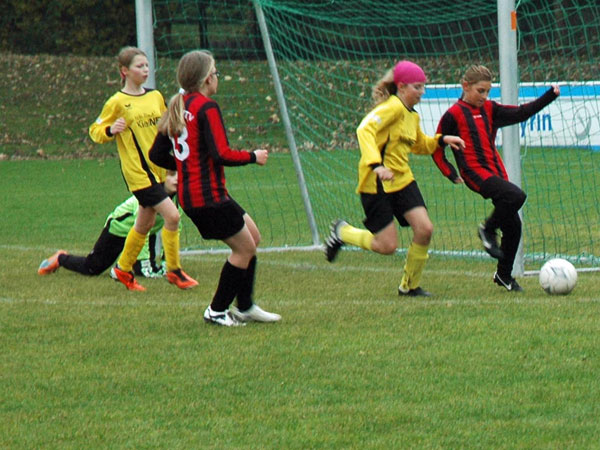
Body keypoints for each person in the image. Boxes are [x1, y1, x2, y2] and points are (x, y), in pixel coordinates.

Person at [149, 49, 281, 326]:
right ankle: (217, 310)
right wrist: (253, 156)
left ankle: (245, 306)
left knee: (253, 237)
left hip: (198, 195)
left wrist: (185, 166)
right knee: (243, 249)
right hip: (207, 197)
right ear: (207, 78)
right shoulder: (206, 107)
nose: (217, 77)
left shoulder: (179, 104)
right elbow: (221, 153)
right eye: (216, 73)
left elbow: (156, 154)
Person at [325, 60, 465, 297]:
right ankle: (343, 232)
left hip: (402, 180)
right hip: (376, 183)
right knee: (387, 246)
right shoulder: (392, 108)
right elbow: (364, 129)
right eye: (417, 87)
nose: (422, 92)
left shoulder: (412, 115)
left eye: (423, 87)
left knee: (425, 229)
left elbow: (419, 144)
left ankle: (409, 286)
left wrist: (441, 140)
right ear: (401, 87)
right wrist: (376, 165)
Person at [432, 65, 560, 292]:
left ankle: (503, 275)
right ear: (465, 86)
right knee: (516, 196)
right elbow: (436, 146)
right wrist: (450, 172)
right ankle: (487, 229)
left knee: (514, 226)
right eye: (480, 91)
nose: (484, 96)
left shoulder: (490, 109)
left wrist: (549, 96)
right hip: (474, 173)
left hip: (496, 172)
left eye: (488, 91)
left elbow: (521, 113)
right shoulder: (454, 114)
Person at [89, 46, 197, 292]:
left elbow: (165, 127)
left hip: (160, 170)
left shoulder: (155, 96)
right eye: (139, 66)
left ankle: (123, 269)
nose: (146, 70)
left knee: (144, 223)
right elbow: (95, 130)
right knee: (172, 216)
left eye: (147, 65)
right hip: (139, 174)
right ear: (124, 71)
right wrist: (110, 130)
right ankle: (174, 270)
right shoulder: (117, 102)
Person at [37, 171, 179, 279]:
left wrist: (169, 262)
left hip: (145, 234)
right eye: (172, 175)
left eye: (179, 175)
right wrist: (143, 261)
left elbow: (174, 228)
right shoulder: (149, 194)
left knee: (145, 271)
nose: (177, 179)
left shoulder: (177, 200)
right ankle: (61, 258)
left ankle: (130, 266)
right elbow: (141, 225)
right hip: (119, 229)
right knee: (92, 268)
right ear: (161, 177)